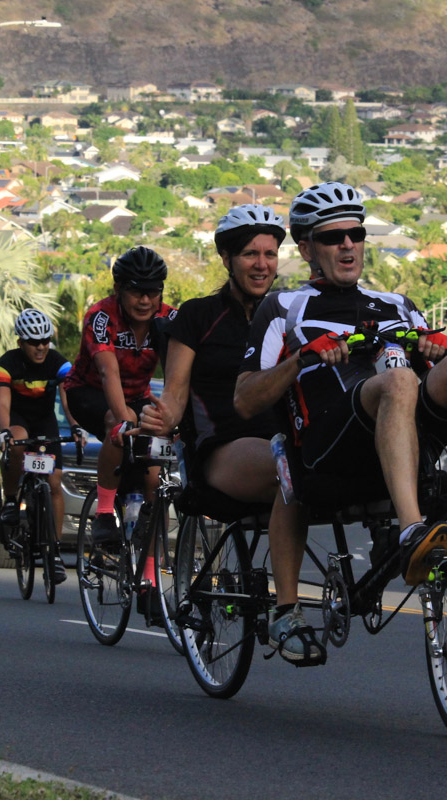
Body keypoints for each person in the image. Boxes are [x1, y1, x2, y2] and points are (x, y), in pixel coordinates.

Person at [235, 182, 447, 594]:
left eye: (355, 234)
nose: (347, 245)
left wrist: (438, 351)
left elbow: (435, 373)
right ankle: (412, 530)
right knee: (398, 380)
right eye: (332, 238)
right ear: (306, 250)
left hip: (405, 432)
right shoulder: (284, 307)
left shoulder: (397, 304)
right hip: (331, 448)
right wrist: (301, 358)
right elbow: (245, 399)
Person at [137, 204, 315, 661]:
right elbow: (175, 395)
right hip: (221, 450)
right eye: (251, 254)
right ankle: (287, 610)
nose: (262, 265)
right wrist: (162, 418)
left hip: (282, 440)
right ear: (226, 258)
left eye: (271, 254)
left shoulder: (291, 311)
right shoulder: (197, 317)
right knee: (289, 471)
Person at [64, 246, 176, 547]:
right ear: (118, 290)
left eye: (153, 292)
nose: (145, 301)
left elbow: (181, 374)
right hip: (89, 392)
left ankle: (149, 564)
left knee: (154, 469)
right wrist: (125, 420)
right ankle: (103, 514)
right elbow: (107, 373)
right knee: (118, 421)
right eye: (136, 292)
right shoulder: (101, 317)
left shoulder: (169, 319)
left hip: (138, 396)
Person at [0, 308, 85, 584]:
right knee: (16, 443)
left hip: (45, 423)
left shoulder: (59, 363)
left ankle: (54, 552)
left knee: (54, 483)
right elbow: (3, 405)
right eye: (34, 342)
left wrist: (76, 425)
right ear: (21, 342)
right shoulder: (5, 364)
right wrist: (4, 433)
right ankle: (11, 500)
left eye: (45, 340)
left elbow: (68, 400)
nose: (41, 347)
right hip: (19, 420)